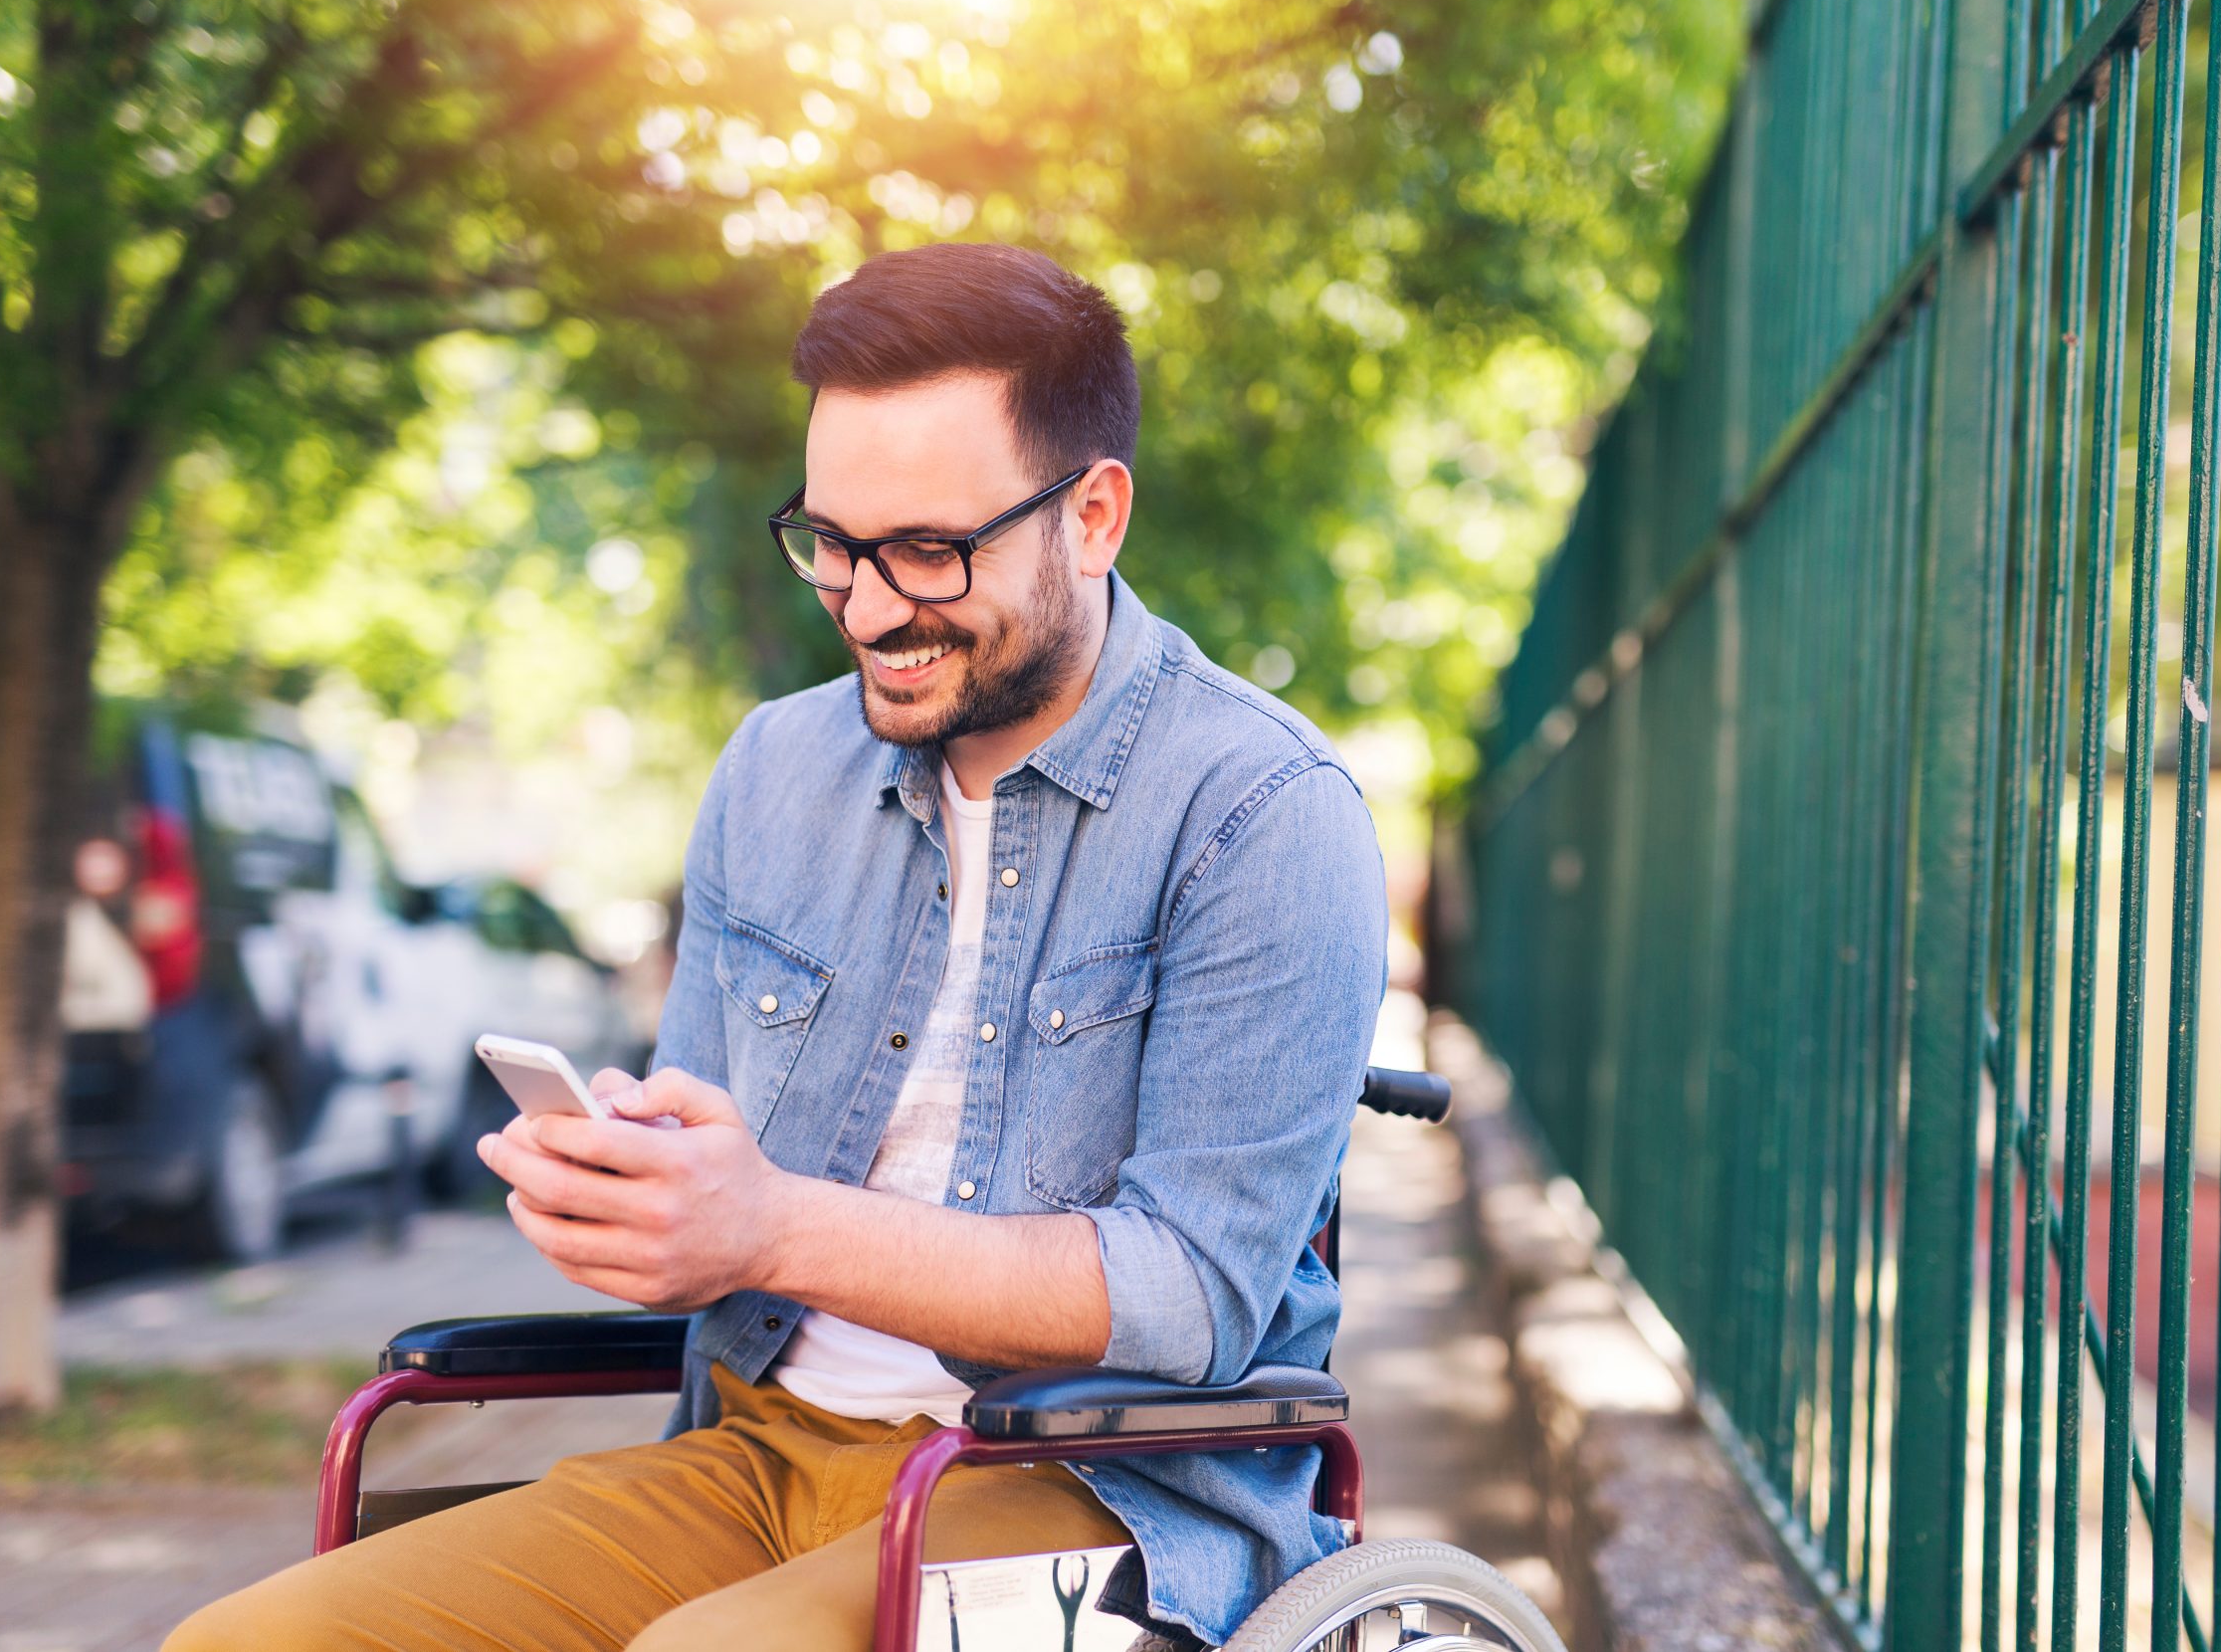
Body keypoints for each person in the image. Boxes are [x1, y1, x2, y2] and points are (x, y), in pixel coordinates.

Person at [165, 243, 1388, 1651]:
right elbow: (708, 1141)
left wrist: (772, 1224)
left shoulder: (1263, 817)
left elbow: (1195, 1297)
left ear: (1095, 515)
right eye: (834, 545)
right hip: (759, 1450)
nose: (870, 609)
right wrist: (634, 1195)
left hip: (1100, 1493)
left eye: (930, 550)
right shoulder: (773, 772)